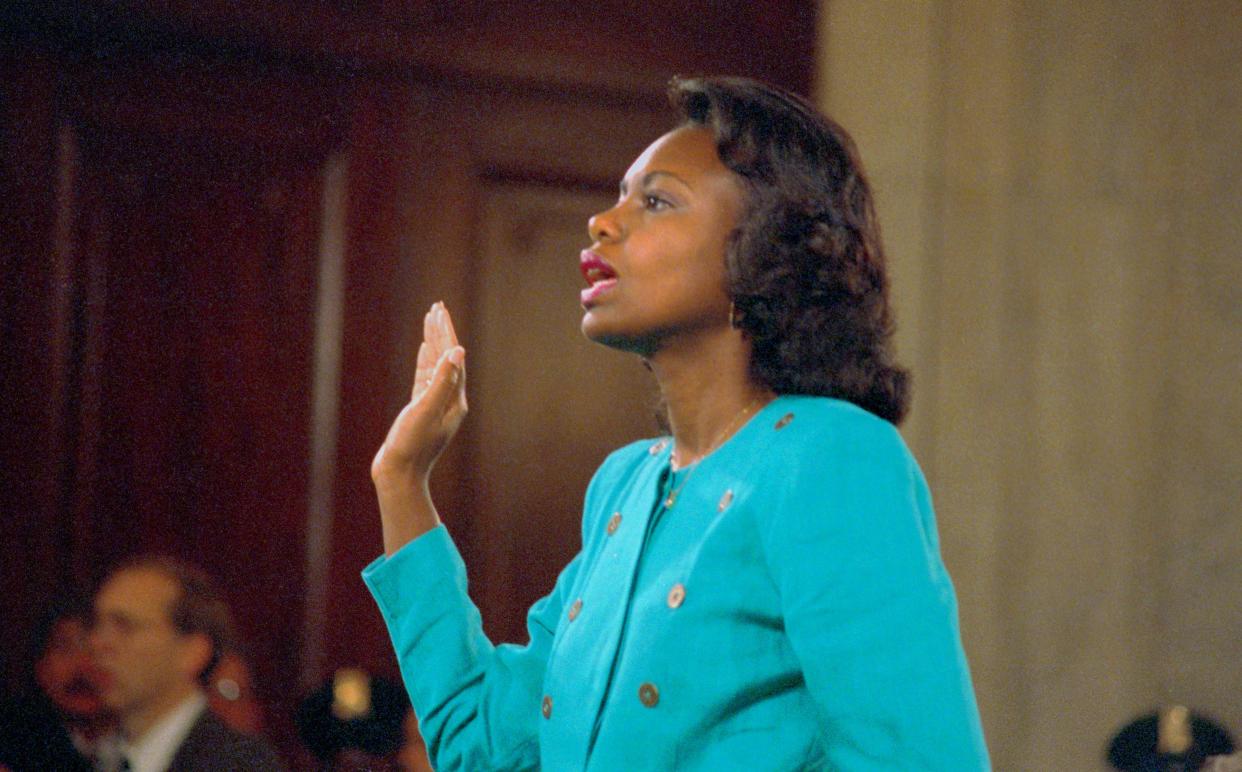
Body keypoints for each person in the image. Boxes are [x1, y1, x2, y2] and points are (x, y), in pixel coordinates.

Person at [362, 76, 990, 769]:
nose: (603, 221)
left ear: (764, 247)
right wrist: (402, 480)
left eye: (656, 200)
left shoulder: (831, 457)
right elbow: (483, 744)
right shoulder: (624, 487)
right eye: (620, 194)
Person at [90, 556, 284, 771]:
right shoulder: (93, 757)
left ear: (193, 652)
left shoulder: (238, 765)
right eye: (97, 624)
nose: (97, 643)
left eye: (125, 626)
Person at [0, 597, 115, 771]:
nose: (82, 665)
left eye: (98, 651)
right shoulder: (11, 741)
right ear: (40, 667)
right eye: (65, 648)